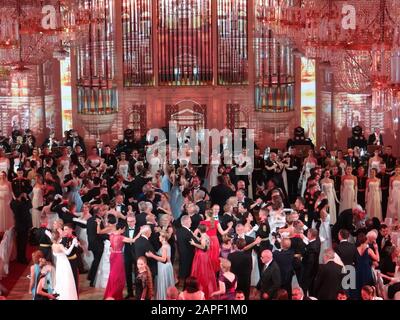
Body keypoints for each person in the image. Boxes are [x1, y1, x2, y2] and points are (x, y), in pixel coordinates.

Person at [103, 223, 136, 300]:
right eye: (124, 229)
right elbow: (133, 240)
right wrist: (140, 233)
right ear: (121, 229)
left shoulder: (111, 235)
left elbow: (111, 245)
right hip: (118, 257)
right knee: (118, 276)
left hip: (112, 256)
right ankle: (114, 294)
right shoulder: (121, 237)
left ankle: (110, 293)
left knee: (112, 275)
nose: (124, 231)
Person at [190, 224, 217, 299]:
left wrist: (194, 244)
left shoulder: (204, 237)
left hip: (201, 255)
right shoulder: (205, 235)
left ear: (199, 229)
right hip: (205, 255)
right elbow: (201, 241)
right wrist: (195, 236)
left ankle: (202, 288)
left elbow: (203, 246)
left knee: (201, 271)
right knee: (205, 271)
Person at [145, 231, 175, 300]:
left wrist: (152, 255)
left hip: (163, 267)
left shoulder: (164, 246)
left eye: (160, 236)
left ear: (163, 238)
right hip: (167, 266)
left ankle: (163, 298)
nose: (159, 237)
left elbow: (164, 259)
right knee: (166, 283)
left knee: (163, 283)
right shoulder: (166, 245)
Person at [87, 206, 109, 287]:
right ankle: (92, 280)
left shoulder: (89, 219)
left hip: (92, 243)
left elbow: (89, 232)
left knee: (95, 261)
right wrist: (110, 237)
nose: (103, 211)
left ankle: (91, 277)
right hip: (98, 244)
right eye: (101, 210)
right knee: (97, 262)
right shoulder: (98, 220)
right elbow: (100, 234)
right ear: (99, 212)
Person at [354, 233, 380, 299]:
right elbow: (378, 259)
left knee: (359, 288)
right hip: (366, 271)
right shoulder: (369, 250)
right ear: (365, 240)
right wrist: (376, 249)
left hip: (358, 271)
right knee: (368, 289)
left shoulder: (355, 249)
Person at [11, 193, 32, 264]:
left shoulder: (13, 203)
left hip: (18, 225)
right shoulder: (23, 204)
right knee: (23, 243)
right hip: (24, 225)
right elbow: (30, 205)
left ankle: (19, 257)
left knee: (19, 241)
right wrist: (26, 198)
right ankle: (22, 258)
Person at [301, 228, 321, 296]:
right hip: (315, 268)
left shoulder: (311, 248)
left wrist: (306, 273)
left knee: (305, 286)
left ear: (310, 235)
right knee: (312, 285)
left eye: (308, 233)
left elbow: (310, 262)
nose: (307, 234)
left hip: (309, 270)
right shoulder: (317, 241)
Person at [123, 214, 137, 299]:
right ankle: (130, 292)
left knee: (137, 273)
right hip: (127, 253)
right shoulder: (125, 229)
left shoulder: (139, 229)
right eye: (128, 221)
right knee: (127, 273)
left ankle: (138, 292)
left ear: (135, 221)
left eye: (131, 221)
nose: (130, 223)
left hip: (136, 253)